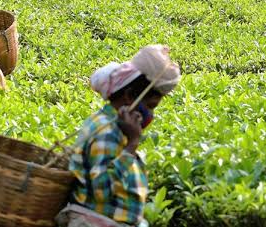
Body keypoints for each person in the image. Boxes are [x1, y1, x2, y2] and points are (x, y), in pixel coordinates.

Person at [56, 45, 182, 227]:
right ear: (130, 96)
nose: (150, 115)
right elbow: (101, 190)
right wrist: (132, 144)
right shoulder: (105, 132)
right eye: (151, 106)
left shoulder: (112, 126)